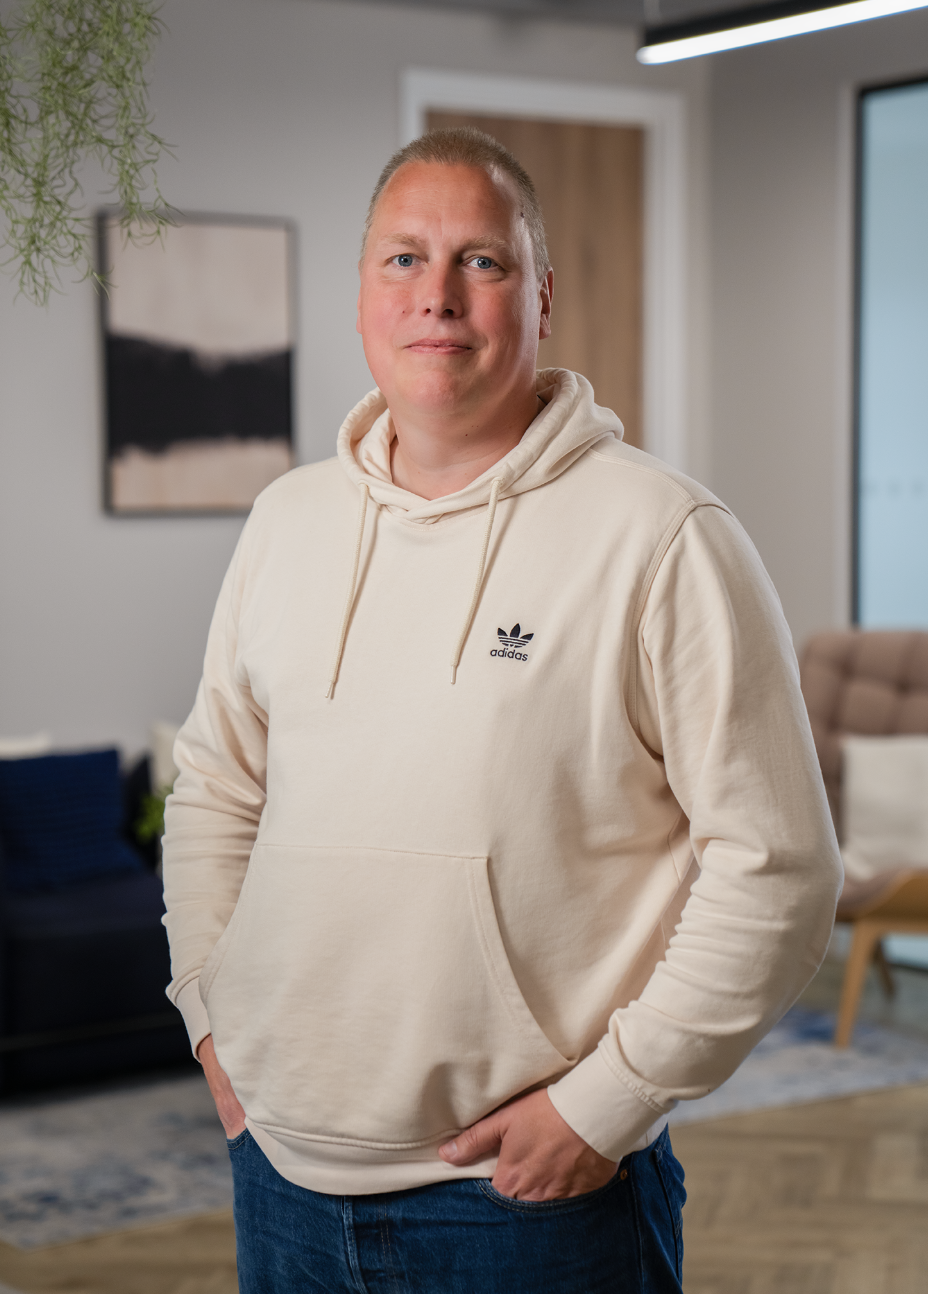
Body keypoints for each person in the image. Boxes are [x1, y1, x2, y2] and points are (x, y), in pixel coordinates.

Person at [162, 128, 842, 1293]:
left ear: (540, 294)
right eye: (403, 260)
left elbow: (777, 864)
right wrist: (211, 1018)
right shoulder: (287, 519)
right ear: (362, 293)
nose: (437, 296)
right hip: (278, 1175)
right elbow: (218, 780)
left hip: (522, 1204)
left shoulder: (662, 535)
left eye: (479, 260)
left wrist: (610, 1100)